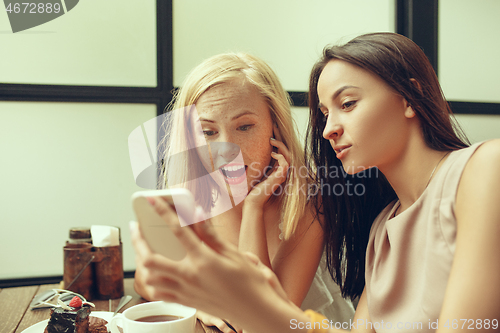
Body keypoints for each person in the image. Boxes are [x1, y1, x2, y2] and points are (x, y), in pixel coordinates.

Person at [131, 33, 500, 332]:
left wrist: (238, 299)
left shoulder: (485, 166)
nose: (328, 129)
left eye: (349, 103)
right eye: (324, 112)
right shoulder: (381, 233)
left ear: (409, 97)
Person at [133, 52, 355, 332]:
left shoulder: (309, 198)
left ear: (275, 124)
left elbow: (261, 319)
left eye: (245, 126)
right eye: (208, 132)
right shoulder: (191, 193)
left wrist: (253, 207)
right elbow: (145, 277)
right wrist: (198, 307)